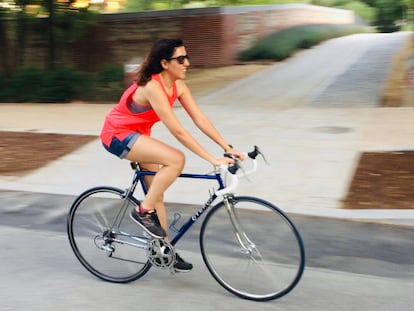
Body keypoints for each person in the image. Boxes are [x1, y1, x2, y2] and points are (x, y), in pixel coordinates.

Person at [100, 38, 244, 272]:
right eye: (181, 59)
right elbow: (177, 130)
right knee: (176, 159)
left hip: (139, 136)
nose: (187, 63)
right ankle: (141, 212)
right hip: (117, 135)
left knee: (157, 194)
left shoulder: (178, 86)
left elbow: (200, 119)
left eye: (187, 57)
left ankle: (163, 250)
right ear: (165, 63)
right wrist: (212, 159)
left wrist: (226, 147)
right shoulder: (152, 87)